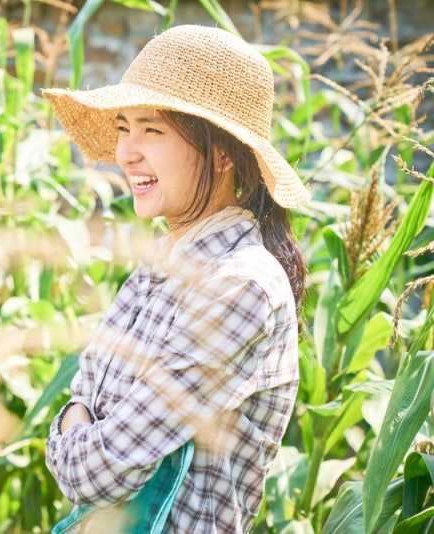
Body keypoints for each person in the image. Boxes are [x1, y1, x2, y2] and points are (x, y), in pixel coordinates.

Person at [42, 24, 310, 532]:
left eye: (153, 130)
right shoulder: (159, 266)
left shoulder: (242, 285)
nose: (126, 153)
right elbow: (84, 392)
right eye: (123, 127)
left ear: (224, 153)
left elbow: (95, 473)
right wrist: (84, 420)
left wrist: (74, 430)